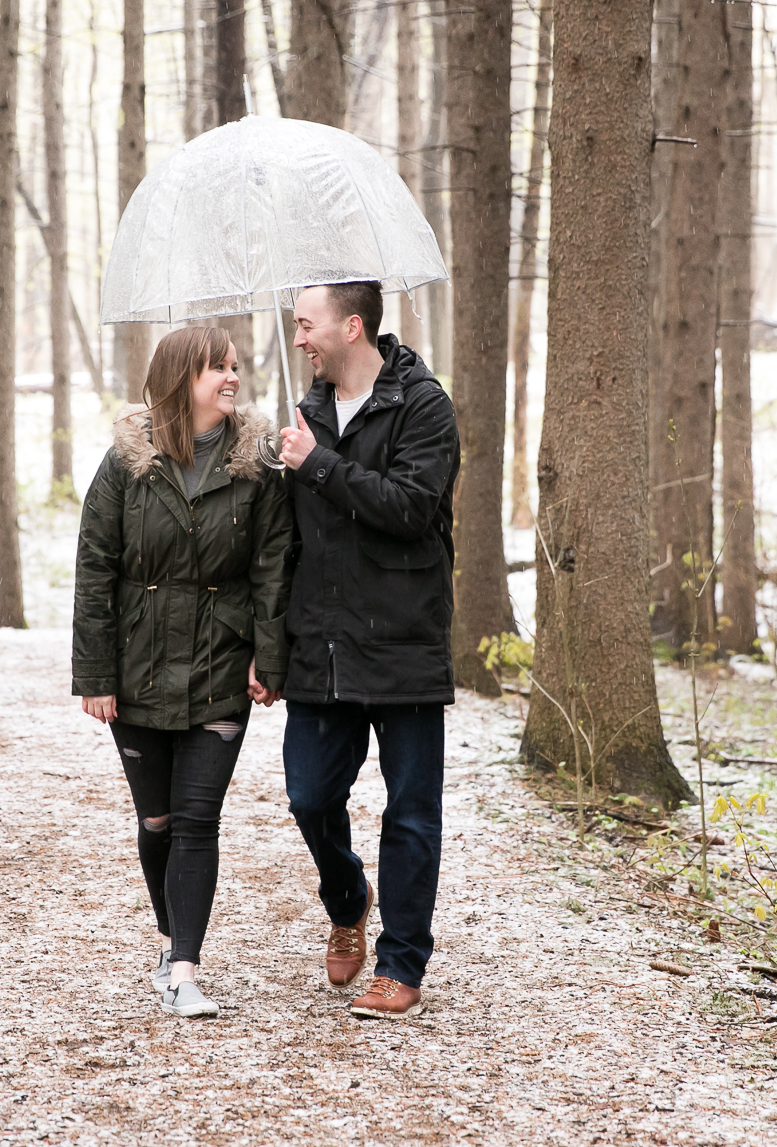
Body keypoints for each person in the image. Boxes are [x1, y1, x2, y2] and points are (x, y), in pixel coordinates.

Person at [72, 326, 290, 1018]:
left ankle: (184, 969)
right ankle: (171, 940)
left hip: (220, 664)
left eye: (234, 365)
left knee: (198, 819)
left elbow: (272, 569)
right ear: (178, 380)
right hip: (138, 668)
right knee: (158, 818)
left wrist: (269, 654)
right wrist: (95, 674)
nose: (232, 376)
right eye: (216, 368)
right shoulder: (124, 466)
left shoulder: (258, 467)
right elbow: (94, 570)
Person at [276, 281, 460, 1019]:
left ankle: (402, 963)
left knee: (411, 809)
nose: (299, 340)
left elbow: (412, 509)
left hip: (406, 639)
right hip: (321, 647)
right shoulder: (307, 409)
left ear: (351, 326)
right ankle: (349, 899)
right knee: (309, 794)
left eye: (306, 325)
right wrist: (272, 646)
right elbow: (285, 542)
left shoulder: (423, 404)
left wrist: (318, 463)